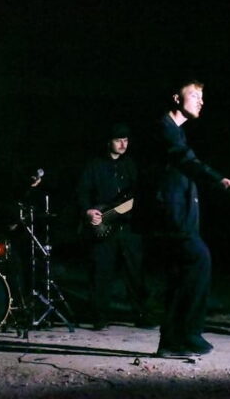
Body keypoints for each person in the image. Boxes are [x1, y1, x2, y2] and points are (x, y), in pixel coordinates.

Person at [138, 79, 230, 356]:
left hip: (179, 214)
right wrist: (225, 182)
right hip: (170, 216)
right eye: (194, 95)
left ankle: (170, 343)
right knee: (198, 260)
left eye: (202, 97)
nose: (201, 101)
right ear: (176, 98)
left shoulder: (176, 131)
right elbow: (185, 161)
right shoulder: (163, 128)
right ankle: (188, 334)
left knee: (180, 275)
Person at [76, 123, 154, 331]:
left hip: (129, 228)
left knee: (135, 273)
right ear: (108, 142)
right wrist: (88, 211)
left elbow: (139, 194)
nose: (123, 144)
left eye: (126, 140)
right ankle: (99, 316)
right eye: (118, 140)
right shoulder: (94, 165)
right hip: (103, 227)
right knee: (101, 273)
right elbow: (82, 192)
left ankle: (141, 314)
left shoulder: (131, 165)